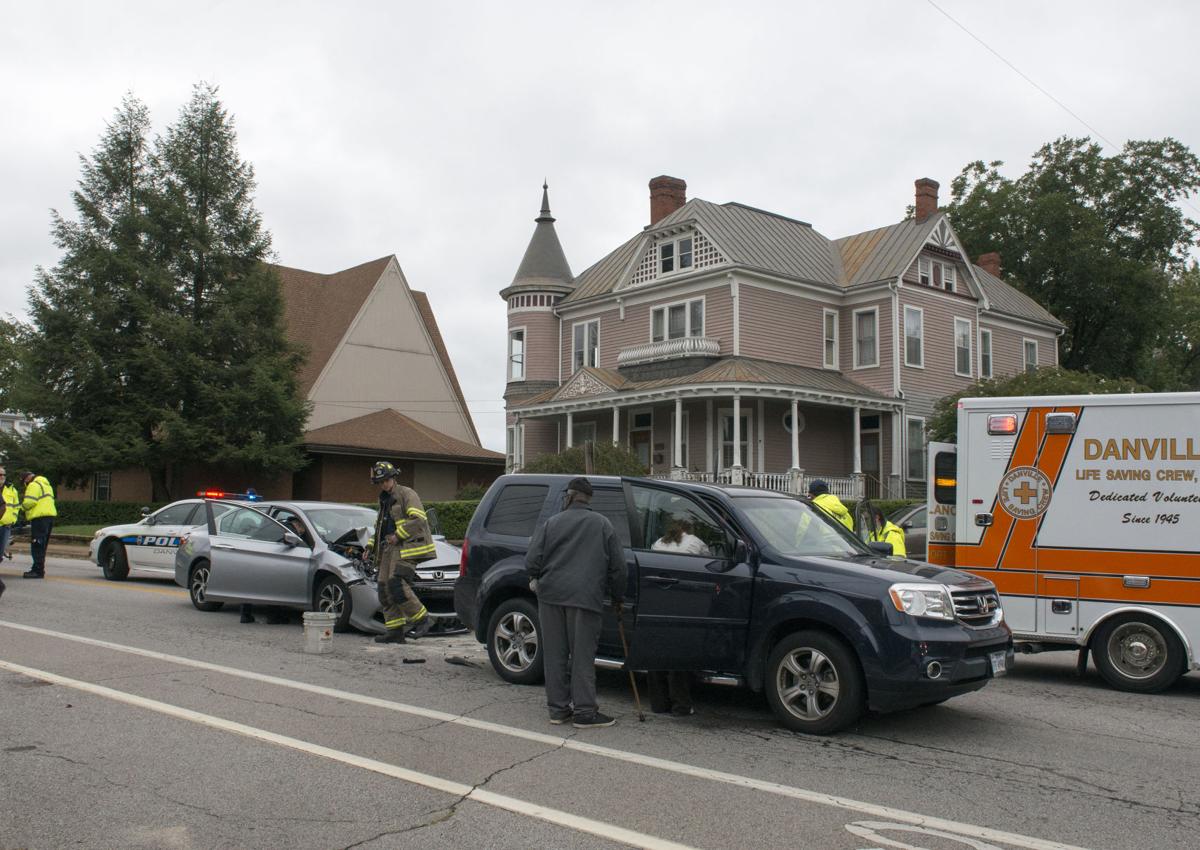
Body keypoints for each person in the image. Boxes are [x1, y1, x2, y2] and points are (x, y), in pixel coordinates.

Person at [526, 477, 627, 729]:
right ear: (588, 499)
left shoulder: (551, 523)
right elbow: (619, 568)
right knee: (582, 656)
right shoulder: (602, 524)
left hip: (550, 597)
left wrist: (538, 578)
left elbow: (531, 562)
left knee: (554, 656)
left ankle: (558, 710)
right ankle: (584, 712)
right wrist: (617, 597)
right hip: (584, 598)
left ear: (569, 496)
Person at [370, 461, 434, 644]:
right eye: (380, 482)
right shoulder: (384, 500)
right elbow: (380, 528)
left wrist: (398, 535)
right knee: (384, 587)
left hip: (407, 546)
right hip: (389, 549)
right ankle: (395, 631)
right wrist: (370, 547)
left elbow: (418, 519)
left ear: (393, 478)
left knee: (396, 583)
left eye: (386, 480)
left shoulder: (407, 494)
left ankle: (423, 619)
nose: (384, 484)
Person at [19, 470, 56, 579]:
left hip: (39, 518)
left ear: (27, 479)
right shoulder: (46, 485)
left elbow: (30, 502)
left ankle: (37, 571)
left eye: (24, 482)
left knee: (37, 544)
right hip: (49, 517)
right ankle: (39, 568)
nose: (25, 485)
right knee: (42, 545)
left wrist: (21, 508)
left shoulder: (33, 485)